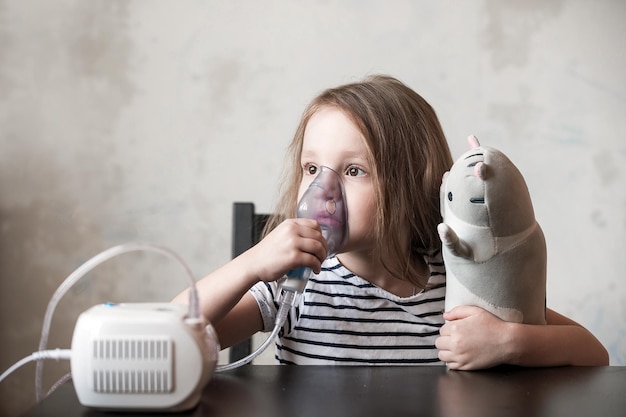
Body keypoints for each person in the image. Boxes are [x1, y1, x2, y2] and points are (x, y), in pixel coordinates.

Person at [173, 75, 608, 369]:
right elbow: (169, 336)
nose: (322, 192)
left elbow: (593, 355)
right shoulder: (296, 288)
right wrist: (250, 264)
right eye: (311, 169)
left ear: (408, 181)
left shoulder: (459, 284)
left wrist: (507, 342)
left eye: (353, 171)